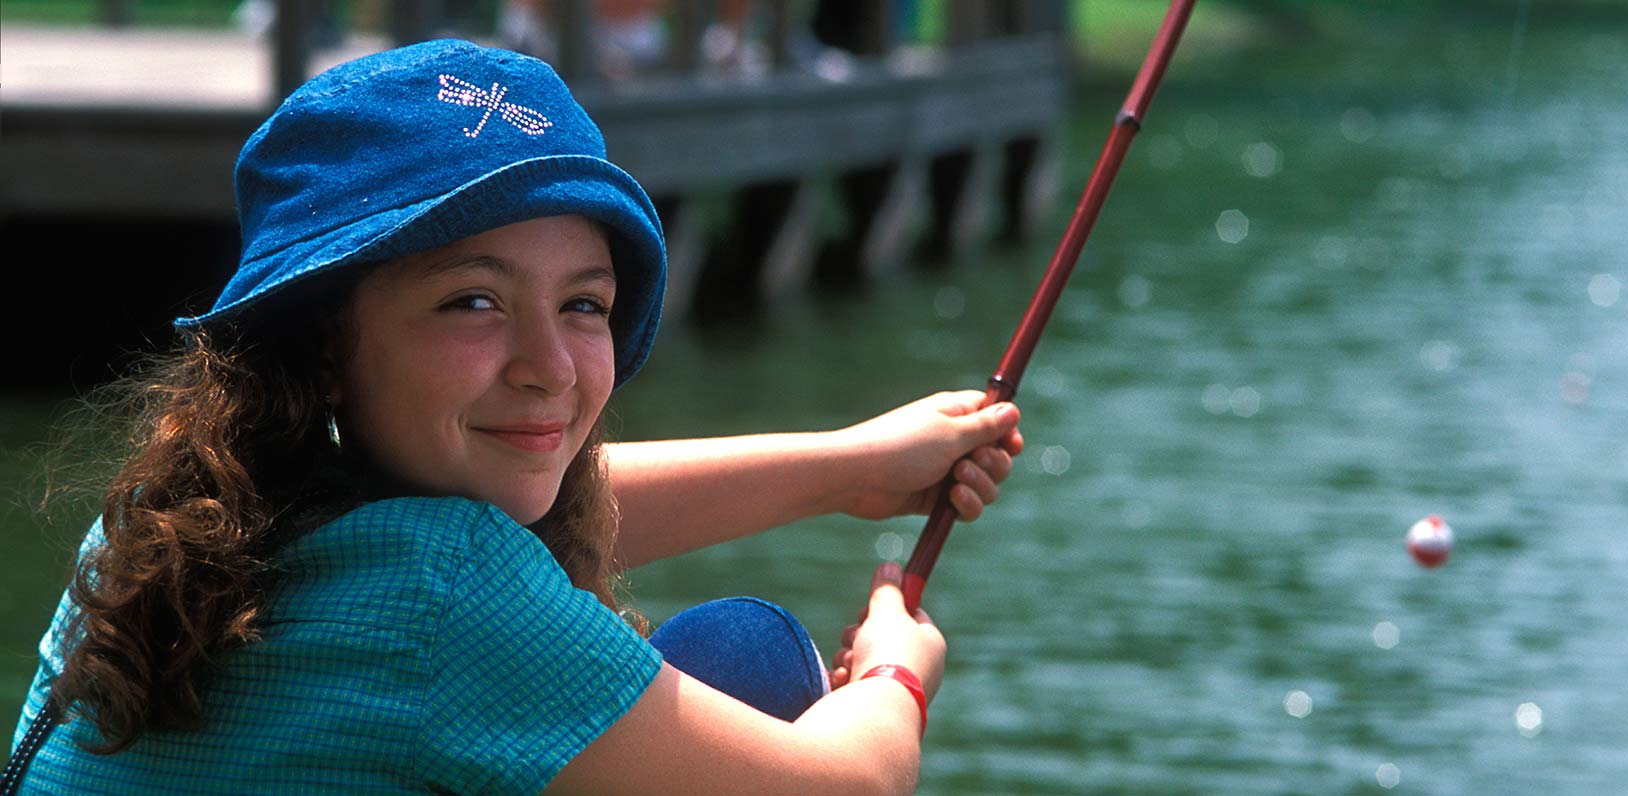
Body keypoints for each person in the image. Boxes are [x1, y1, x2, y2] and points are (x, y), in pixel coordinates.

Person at [4, 40, 1023, 794]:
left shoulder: (168, 518)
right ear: (322, 340)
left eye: (582, 304)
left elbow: (568, 497)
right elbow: (850, 784)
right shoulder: (445, 596)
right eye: (473, 302)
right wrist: (896, 665)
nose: (549, 369)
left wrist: (847, 467)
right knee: (748, 661)